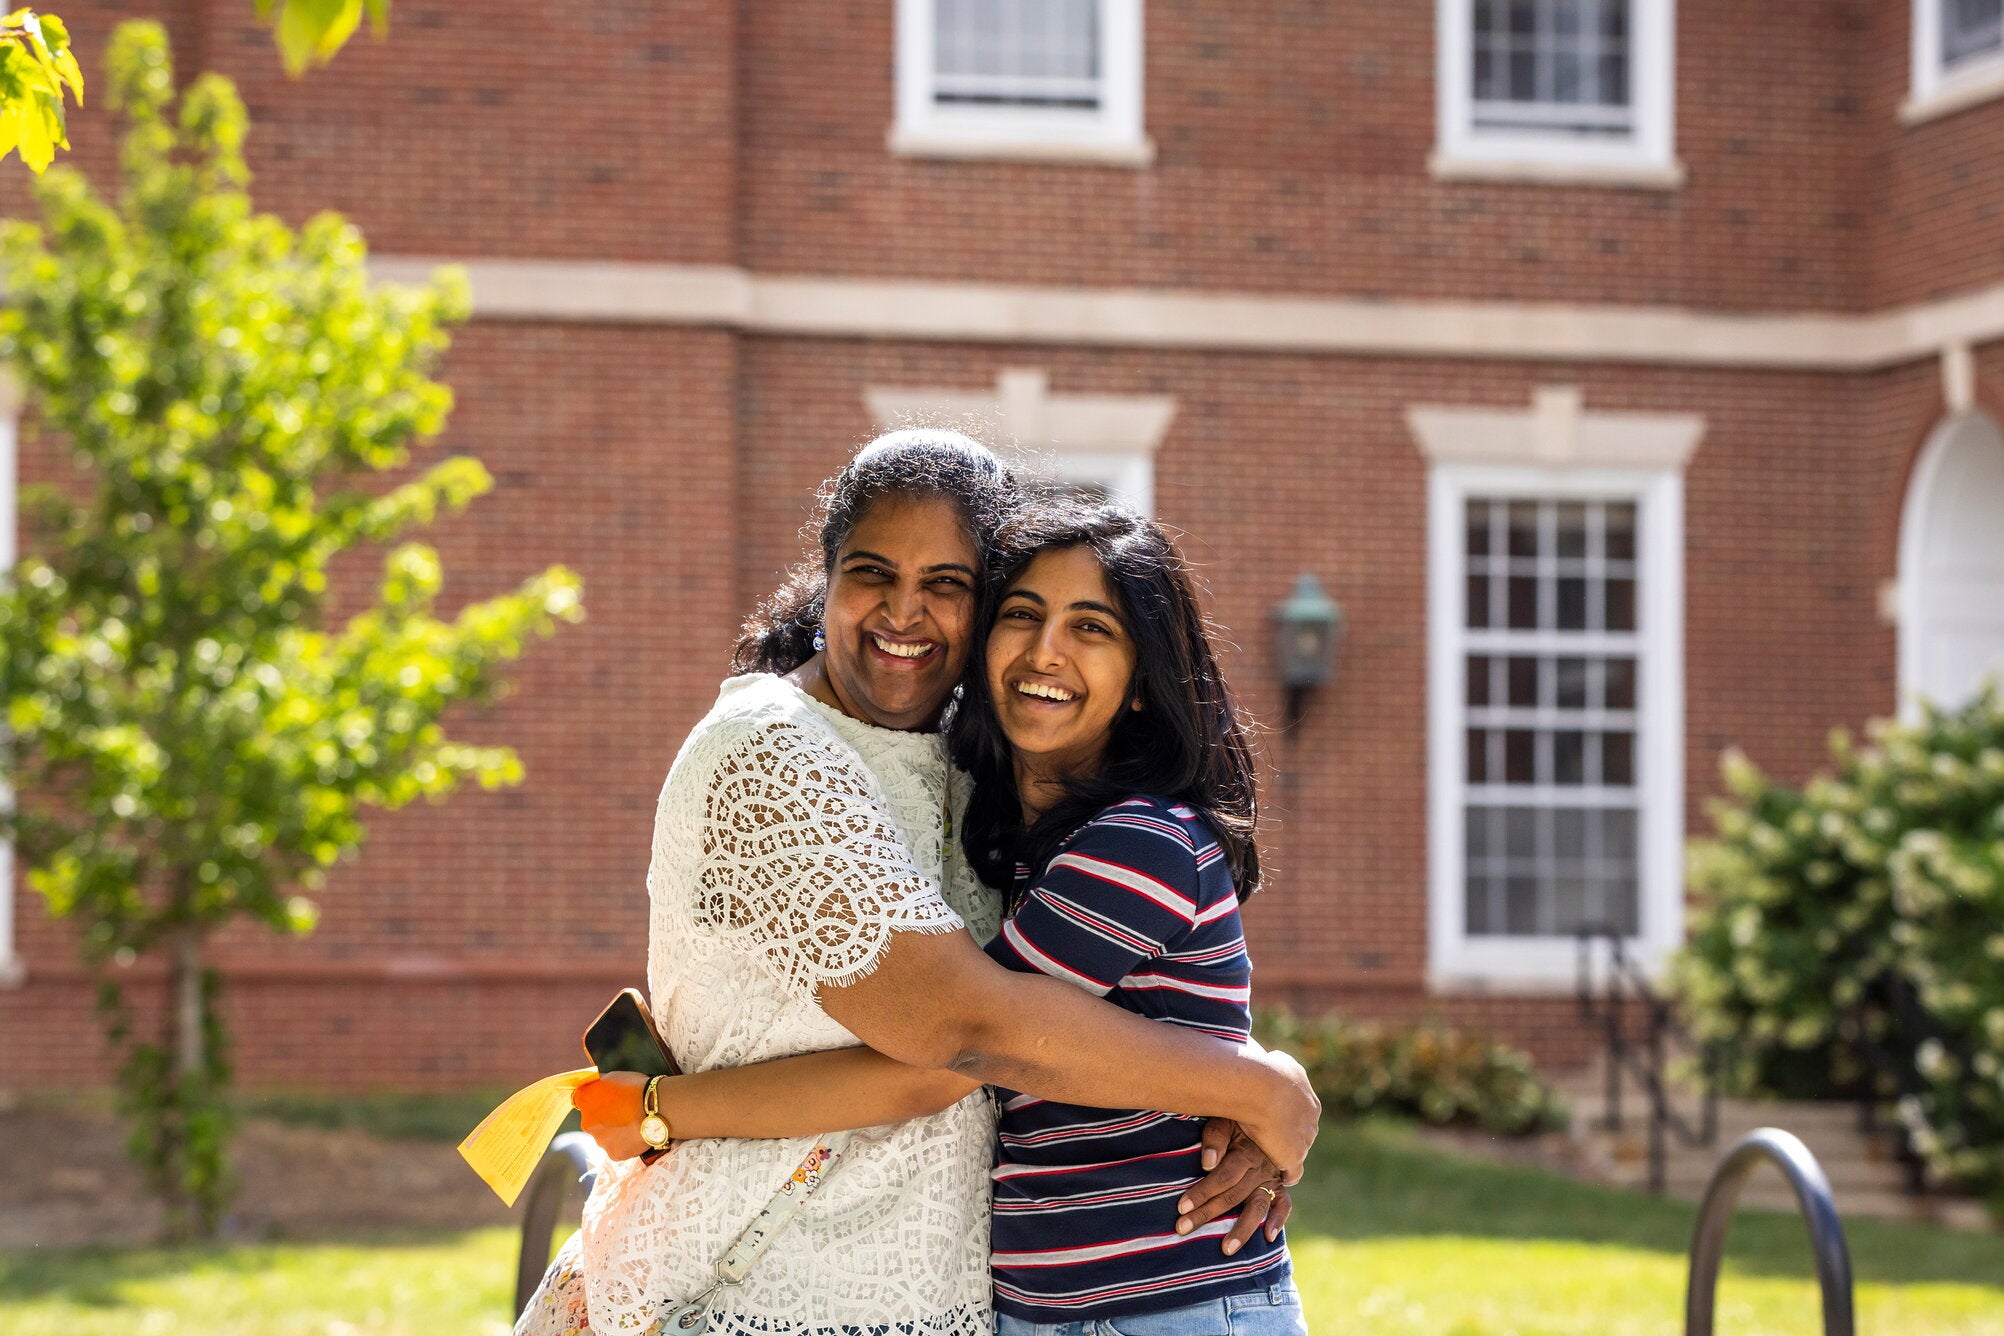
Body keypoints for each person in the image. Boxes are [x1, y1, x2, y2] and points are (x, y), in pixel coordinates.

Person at [518, 434, 1318, 1336]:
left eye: (948, 584)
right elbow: (963, 1032)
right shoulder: (770, 750)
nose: (906, 612)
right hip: (752, 1279)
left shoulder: (975, 775)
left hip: (1000, 1297)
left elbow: (1064, 1023)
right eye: (871, 573)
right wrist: (1262, 1089)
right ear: (825, 580)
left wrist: (1244, 1088)